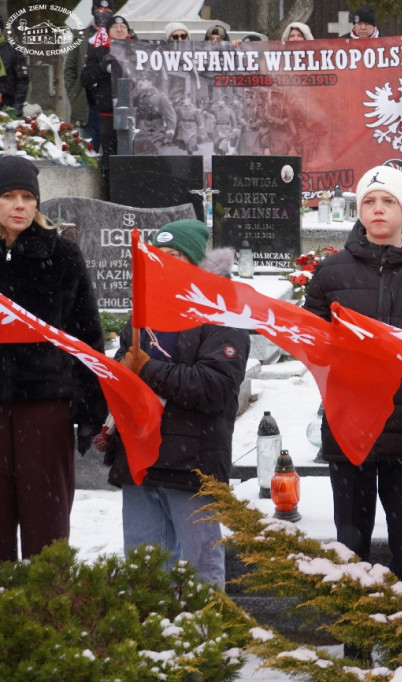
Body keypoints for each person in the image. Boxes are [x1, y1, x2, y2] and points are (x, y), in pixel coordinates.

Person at [303, 166, 402, 596]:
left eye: (388, 201)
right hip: (350, 432)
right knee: (350, 549)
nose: (378, 209)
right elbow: (312, 347)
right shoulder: (332, 274)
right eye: (369, 201)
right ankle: (353, 648)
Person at [105, 220, 249, 588]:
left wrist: (149, 368)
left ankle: (206, 642)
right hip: (141, 459)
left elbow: (214, 386)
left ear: (198, 262)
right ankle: (153, 642)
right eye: (160, 256)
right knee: (145, 571)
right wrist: (110, 422)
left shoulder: (221, 311)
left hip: (192, 465)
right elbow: (124, 369)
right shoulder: (145, 307)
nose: (166, 263)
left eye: (177, 256)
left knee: (202, 571)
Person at [0, 156, 106, 562]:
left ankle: (47, 608)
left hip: (45, 408)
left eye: (28, 196)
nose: (20, 205)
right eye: (8, 196)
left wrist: (89, 409)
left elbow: (86, 337)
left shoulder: (62, 256)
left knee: (47, 523)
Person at [80, 14, 132, 197]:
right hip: (108, 115)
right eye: (115, 28)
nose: (119, 30)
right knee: (111, 160)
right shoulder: (99, 51)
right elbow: (85, 80)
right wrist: (101, 67)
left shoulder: (138, 51)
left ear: (128, 32)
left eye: (123, 27)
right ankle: (112, 196)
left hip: (134, 116)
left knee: (133, 159)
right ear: (108, 32)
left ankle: (132, 195)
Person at [64, 0, 112, 146]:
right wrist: (73, 93)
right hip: (89, 106)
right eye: (99, 8)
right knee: (88, 152)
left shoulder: (122, 32)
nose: (103, 12)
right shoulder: (81, 36)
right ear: (93, 11)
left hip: (115, 106)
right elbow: (70, 69)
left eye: (107, 9)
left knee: (116, 155)